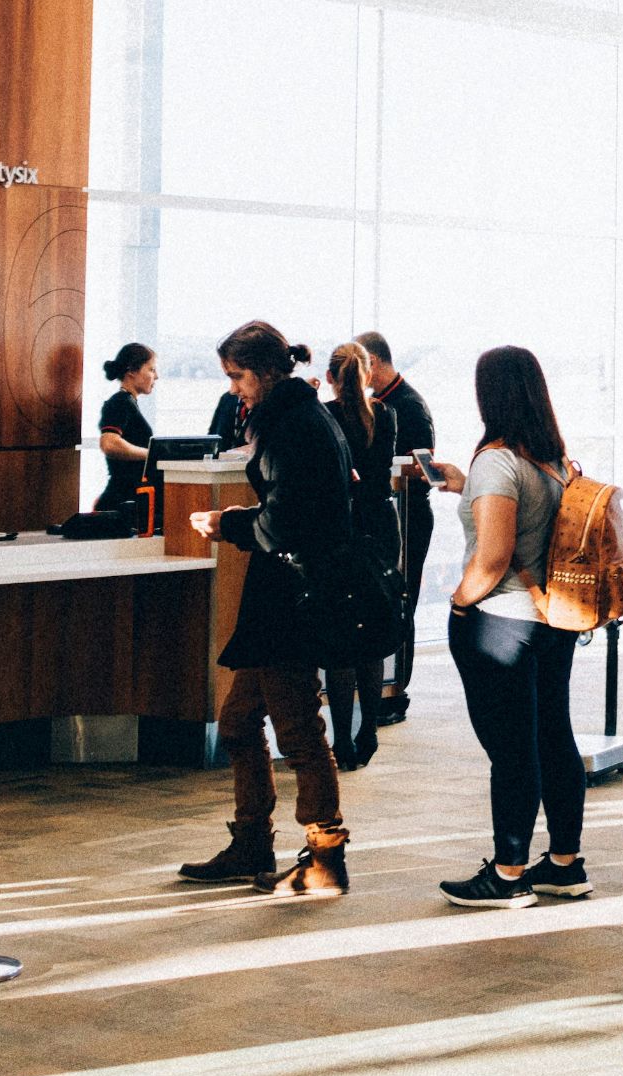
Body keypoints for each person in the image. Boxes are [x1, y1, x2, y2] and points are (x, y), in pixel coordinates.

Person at [179, 321, 355, 897]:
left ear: (267, 371)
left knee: (299, 729)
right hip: (285, 594)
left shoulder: (289, 425)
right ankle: (252, 841)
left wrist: (224, 522)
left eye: (237, 376)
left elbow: (282, 522)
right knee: (236, 723)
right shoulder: (304, 416)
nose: (234, 389)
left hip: (289, 600)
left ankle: (325, 857)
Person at [428, 346, 591, 908]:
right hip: (553, 620)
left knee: (512, 751)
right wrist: (461, 484)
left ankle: (509, 873)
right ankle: (565, 865)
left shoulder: (497, 462)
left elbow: (494, 557)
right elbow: (531, 526)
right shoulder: (555, 460)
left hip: (501, 623)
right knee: (554, 738)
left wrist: (458, 602)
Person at [321, 341, 398, 771]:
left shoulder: (325, 417)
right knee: (372, 637)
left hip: (341, 530)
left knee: (340, 640)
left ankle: (341, 741)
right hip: (380, 530)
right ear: (368, 374)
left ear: (331, 377)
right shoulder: (385, 416)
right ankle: (368, 728)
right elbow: (380, 473)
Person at [362, 331, 435, 728]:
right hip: (391, 516)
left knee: (401, 597)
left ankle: (396, 689)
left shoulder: (408, 405)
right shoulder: (380, 402)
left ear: (372, 362)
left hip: (409, 517)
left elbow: (424, 464)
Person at [94, 343, 159, 514]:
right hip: (120, 500)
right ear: (131, 371)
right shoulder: (119, 402)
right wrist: (152, 455)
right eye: (151, 370)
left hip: (128, 496)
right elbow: (109, 444)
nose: (156, 376)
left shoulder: (129, 402)